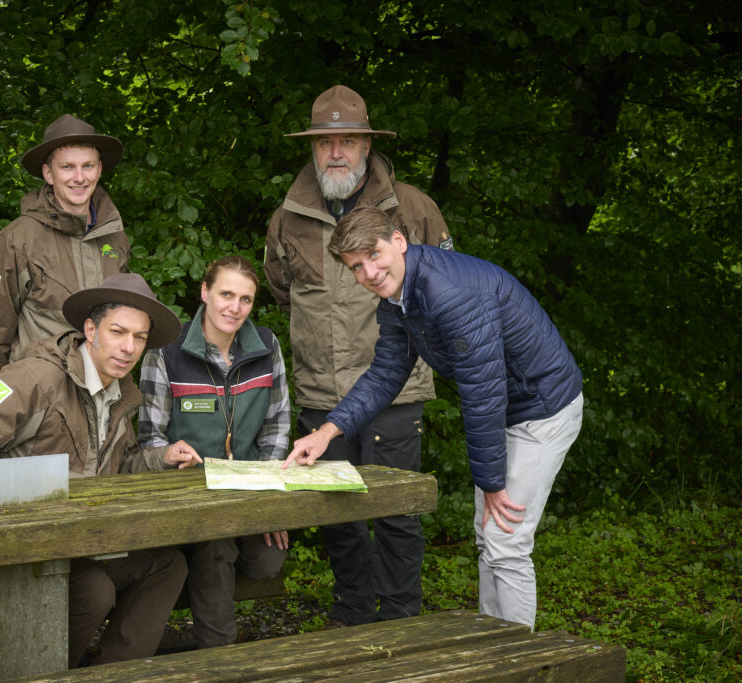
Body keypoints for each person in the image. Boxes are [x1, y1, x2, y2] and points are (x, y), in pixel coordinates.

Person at [285, 206, 583, 629]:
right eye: (356, 266)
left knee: (507, 542)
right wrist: (328, 431)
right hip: (507, 410)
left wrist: (492, 483)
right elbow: (386, 374)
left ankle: (518, 660)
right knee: (489, 538)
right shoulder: (397, 300)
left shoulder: (449, 293)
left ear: (399, 242)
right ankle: (493, 644)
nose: (369, 271)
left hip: (543, 410)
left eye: (374, 254)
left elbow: (483, 394)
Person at [0, 272, 201, 667]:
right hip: (27, 545)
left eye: (140, 338)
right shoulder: (33, 378)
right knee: (93, 592)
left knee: (167, 565)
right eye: (118, 331)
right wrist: (20, 516)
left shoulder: (121, 392)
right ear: (90, 330)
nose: (129, 347)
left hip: (85, 539)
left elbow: (119, 466)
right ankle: (43, 671)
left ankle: (109, 671)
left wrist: (160, 459)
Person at [264, 84, 453, 626]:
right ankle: (352, 614)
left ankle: (399, 618)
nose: (337, 151)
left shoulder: (413, 208)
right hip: (322, 395)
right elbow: (282, 290)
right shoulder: (287, 216)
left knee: (396, 516)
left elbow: (445, 290)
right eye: (326, 143)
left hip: (395, 391)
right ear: (313, 149)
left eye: (349, 140)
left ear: (368, 144)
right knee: (335, 517)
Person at [137, 256, 291, 648]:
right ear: (205, 292)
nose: (234, 308)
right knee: (216, 544)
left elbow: (276, 427)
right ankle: (220, 656)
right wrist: (172, 455)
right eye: (225, 294)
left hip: (249, 492)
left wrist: (270, 498)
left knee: (266, 561)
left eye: (245, 299)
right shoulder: (167, 351)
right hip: (189, 495)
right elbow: (150, 436)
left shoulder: (267, 346)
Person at [0, 114, 130, 376]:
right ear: (48, 173)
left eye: (87, 166)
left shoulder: (114, 237)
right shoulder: (16, 240)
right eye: (67, 167)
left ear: (99, 169)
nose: (79, 177)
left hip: (106, 392)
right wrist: (16, 385)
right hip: (44, 397)